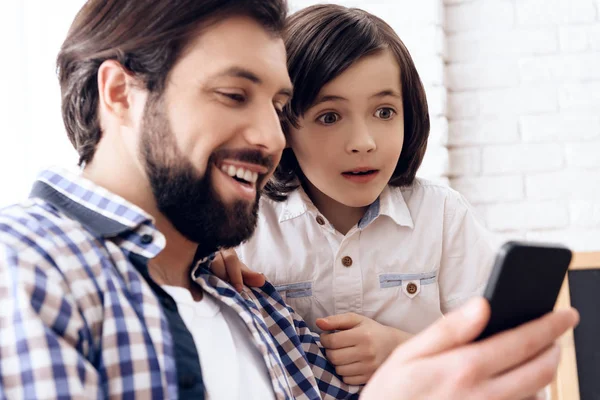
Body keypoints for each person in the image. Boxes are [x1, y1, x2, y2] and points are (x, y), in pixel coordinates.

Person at [0, 1, 579, 399]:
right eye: (233, 94)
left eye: (277, 106)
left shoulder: (250, 301)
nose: (273, 138)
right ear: (121, 93)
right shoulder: (28, 264)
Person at [228, 4, 497, 384]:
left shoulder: (442, 216)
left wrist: (401, 351)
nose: (363, 142)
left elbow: (498, 357)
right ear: (283, 125)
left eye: (385, 112)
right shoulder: (246, 229)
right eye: (330, 117)